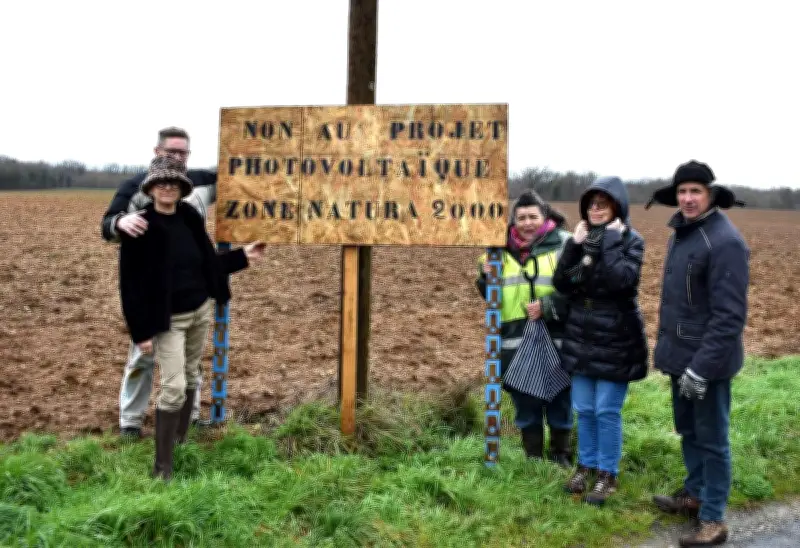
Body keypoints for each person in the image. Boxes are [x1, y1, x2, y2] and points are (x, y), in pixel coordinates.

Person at [118, 155, 265, 481]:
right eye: (161, 182)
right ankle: (162, 468)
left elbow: (207, 263)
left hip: (199, 311)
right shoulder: (139, 226)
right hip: (168, 321)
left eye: (174, 182)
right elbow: (130, 286)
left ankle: (180, 443)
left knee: (191, 376)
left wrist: (243, 257)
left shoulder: (188, 216)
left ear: (183, 187)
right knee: (174, 387)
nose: (168, 187)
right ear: (152, 187)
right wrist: (140, 332)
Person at [647, 160, 749, 547]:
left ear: (710, 195)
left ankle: (713, 519)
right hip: (680, 357)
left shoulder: (725, 242)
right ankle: (694, 493)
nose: (687, 199)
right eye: (682, 192)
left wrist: (701, 369)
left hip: (707, 363)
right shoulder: (683, 233)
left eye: (696, 192)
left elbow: (729, 318)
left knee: (712, 438)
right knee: (688, 430)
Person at [100, 127, 218, 437]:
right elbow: (107, 224)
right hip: (153, 289)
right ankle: (131, 421)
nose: (177, 157)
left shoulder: (201, 182)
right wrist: (119, 222)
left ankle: (187, 418)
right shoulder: (137, 186)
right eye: (171, 152)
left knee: (189, 361)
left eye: (183, 153)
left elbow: (235, 171)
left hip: (190, 286)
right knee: (143, 354)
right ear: (157, 152)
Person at [552, 176, 648, 505]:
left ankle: (608, 475)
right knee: (584, 409)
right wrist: (573, 246)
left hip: (617, 335)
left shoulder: (631, 240)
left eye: (603, 204)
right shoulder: (581, 240)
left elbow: (621, 280)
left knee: (606, 410)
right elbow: (563, 283)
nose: (595, 209)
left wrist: (607, 241)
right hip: (581, 333)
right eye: (591, 204)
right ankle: (585, 467)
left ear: (617, 207)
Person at [476, 191, 574, 466]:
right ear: (513, 220)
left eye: (533, 217)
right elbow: (490, 294)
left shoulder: (565, 245)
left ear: (545, 218)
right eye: (521, 218)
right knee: (524, 397)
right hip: (513, 337)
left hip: (557, 335)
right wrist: (485, 278)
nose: (527, 223)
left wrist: (549, 305)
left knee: (559, 396)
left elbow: (581, 289)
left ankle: (560, 455)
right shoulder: (496, 251)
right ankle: (533, 457)